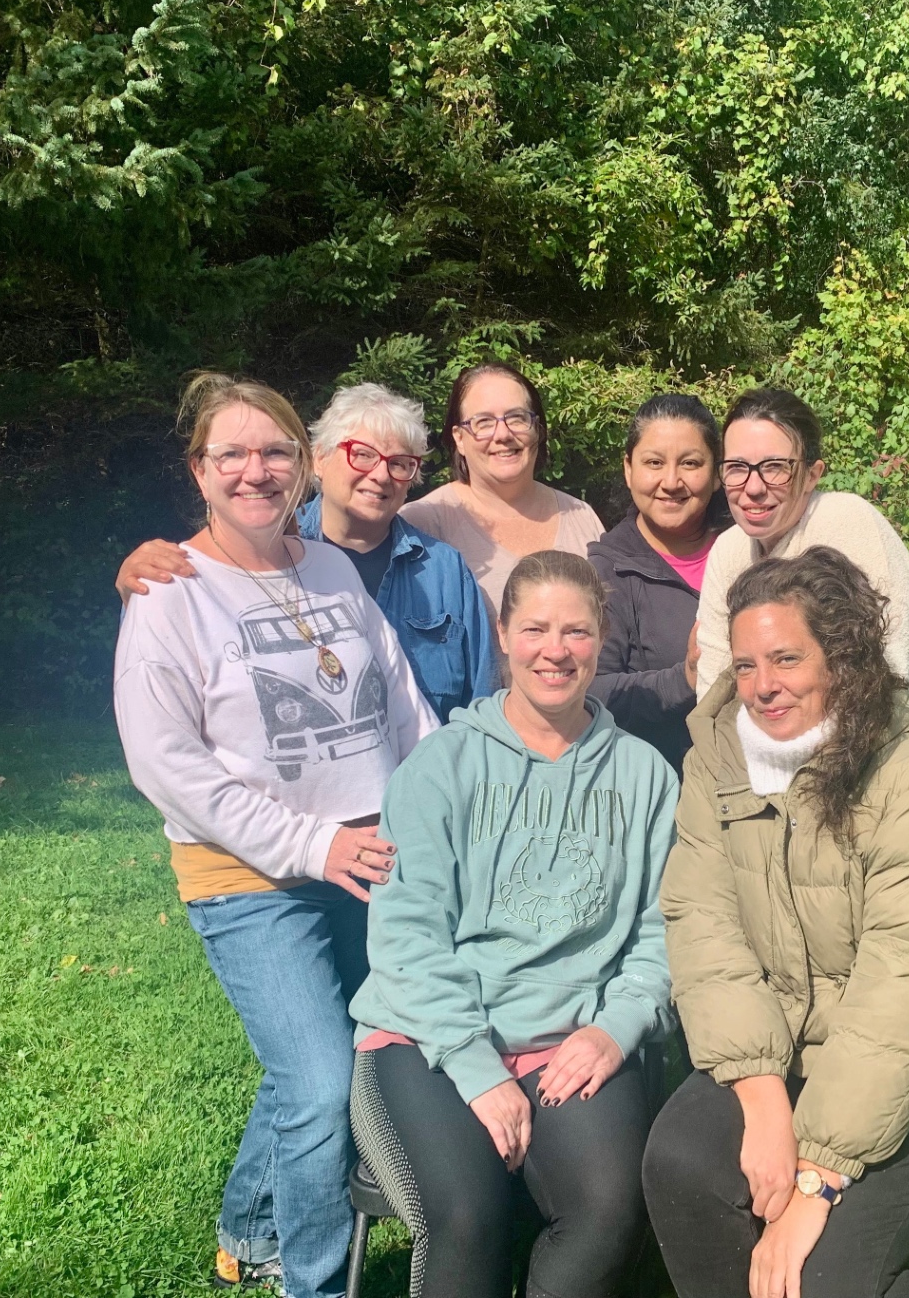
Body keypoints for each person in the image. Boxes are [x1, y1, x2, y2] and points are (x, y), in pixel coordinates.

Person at [112, 372, 441, 1298]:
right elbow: (167, 766)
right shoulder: (169, 593)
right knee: (320, 1081)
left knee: (330, 1063)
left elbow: (403, 708)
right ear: (198, 470)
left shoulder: (328, 566)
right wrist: (312, 847)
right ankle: (311, 1281)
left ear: (302, 465)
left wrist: (442, 804)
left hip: (372, 860)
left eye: (273, 452)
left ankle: (249, 1228)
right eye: (233, 454)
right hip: (253, 877)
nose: (255, 471)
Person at [644, 547, 909, 1298]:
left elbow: (907, 987)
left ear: (842, 659)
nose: (762, 687)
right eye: (745, 665)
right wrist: (761, 1093)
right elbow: (702, 927)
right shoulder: (716, 759)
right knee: (681, 1166)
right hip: (784, 1050)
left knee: (817, 1277)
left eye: (786, 659)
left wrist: (818, 1177)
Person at [348, 551, 678, 1298]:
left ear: (601, 638)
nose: (554, 651)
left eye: (576, 632)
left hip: (569, 1039)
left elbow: (662, 933)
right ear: (503, 634)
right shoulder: (440, 767)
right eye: (535, 628)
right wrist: (474, 1066)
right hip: (429, 1036)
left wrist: (614, 1028)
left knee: (609, 1210)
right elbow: (406, 937)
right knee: (468, 1217)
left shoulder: (646, 777)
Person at [116, 381, 496, 723]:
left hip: (428, 789)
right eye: (361, 455)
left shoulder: (444, 573)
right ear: (318, 458)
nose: (381, 475)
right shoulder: (262, 552)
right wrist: (136, 588)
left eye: (399, 464)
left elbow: (483, 706)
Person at [693, 389, 909, 808]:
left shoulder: (848, 523)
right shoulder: (729, 551)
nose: (752, 488)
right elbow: (716, 688)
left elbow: (877, 681)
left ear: (812, 474)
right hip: (775, 795)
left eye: (775, 468)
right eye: (737, 468)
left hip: (896, 785)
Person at [402, 361, 605, 628]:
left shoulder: (581, 516)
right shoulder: (422, 525)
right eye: (483, 422)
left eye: (517, 418)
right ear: (459, 438)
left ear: (538, 430)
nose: (503, 434)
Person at [587, 393, 727, 771]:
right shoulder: (608, 571)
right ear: (629, 469)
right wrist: (684, 679)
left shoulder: (748, 551)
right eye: (654, 463)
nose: (671, 481)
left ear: (717, 474)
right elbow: (590, 692)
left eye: (691, 463)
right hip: (661, 790)